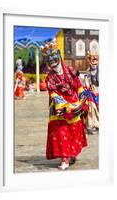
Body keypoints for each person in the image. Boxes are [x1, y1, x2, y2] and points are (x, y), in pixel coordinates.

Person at [41, 41, 88, 170]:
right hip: (59, 109)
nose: (53, 63)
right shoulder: (50, 78)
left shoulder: (70, 71)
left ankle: (71, 154)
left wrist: (82, 100)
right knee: (61, 133)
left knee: (73, 132)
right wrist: (64, 106)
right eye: (50, 61)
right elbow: (53, 94)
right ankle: (64, 159)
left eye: (55, 59)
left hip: (74, 105)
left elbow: (79, 86)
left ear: (59, 57)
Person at [84, 51, 99, 135]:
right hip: (92, 89)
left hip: (100, 89)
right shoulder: (88, 69)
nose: (94, 59)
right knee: (92, 108)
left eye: (95, 57)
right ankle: (93, 125)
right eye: (92, 58)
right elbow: (86, 78)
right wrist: (87, 87)